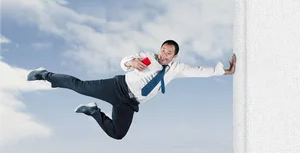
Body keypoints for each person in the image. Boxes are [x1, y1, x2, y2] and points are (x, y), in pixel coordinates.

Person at [26, 40, 236, 140]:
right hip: (117, 87)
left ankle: (93, 112)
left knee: (118, 134)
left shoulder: (177, 69)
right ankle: (45, 75)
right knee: (79, 86)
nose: (163, 55)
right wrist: (131, 62)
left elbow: (200, 71)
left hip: (129, 102)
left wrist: (225, 71)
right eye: (162, 50)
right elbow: (127, 61)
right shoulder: (149, 58)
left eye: (168, 53)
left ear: (175, 56)